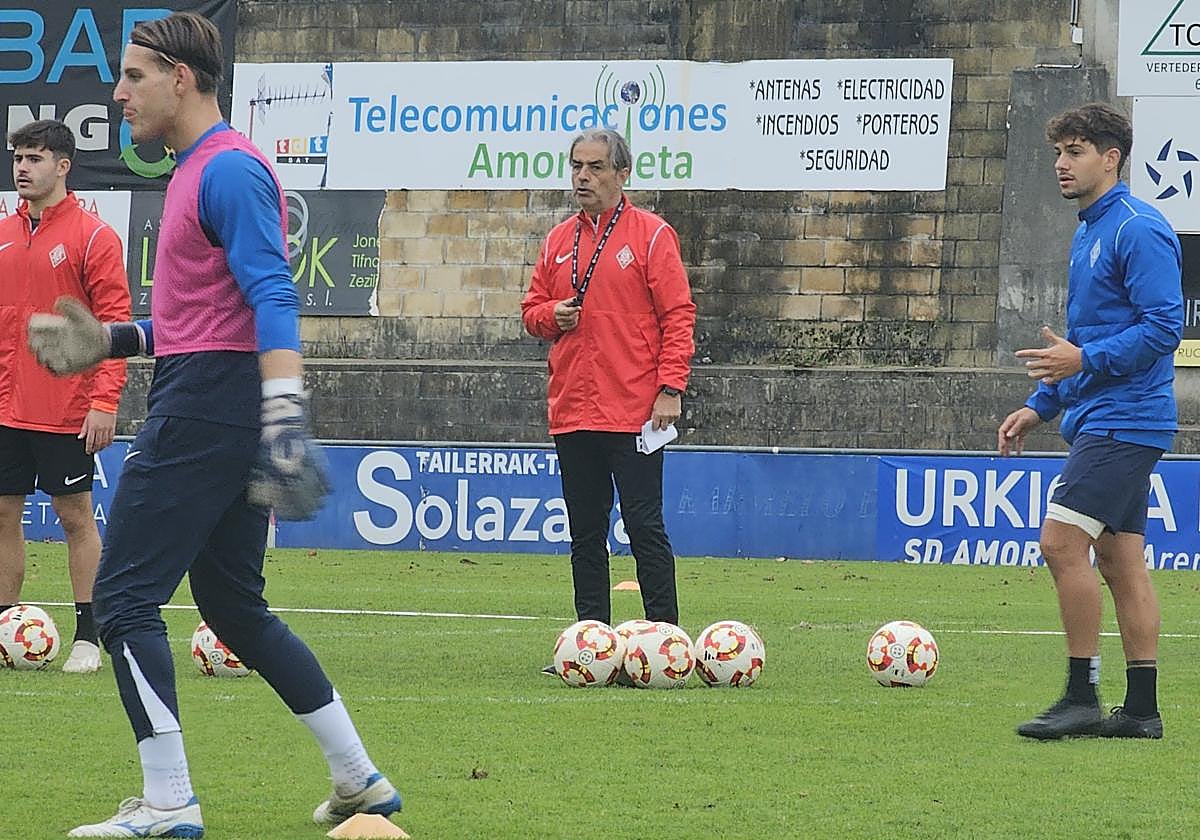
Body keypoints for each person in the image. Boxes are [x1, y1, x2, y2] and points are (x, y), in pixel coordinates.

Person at [27, 13, 399, 837]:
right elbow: (200, 320)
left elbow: (273, 295)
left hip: (206, 404)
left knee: (121, 601)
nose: (118, 94)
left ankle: (168, 802)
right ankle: (357, 776)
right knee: (232, 605)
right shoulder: (201, 169)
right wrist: (111, 340)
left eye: (133, 76)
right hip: (217, 392)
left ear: (181, 79)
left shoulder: (225, 170)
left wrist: (285, 413)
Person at [998, 102, 1183, 741]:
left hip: (1125, 421)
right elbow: (1084, 341)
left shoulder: (1137, 227)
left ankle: (1081, 695)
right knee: (1120, 560)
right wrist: (1041, 405)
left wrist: (1083, 360)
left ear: (1111, 158)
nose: (1061, 164)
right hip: (1107, 416)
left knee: (1059, 543)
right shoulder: (1090, 231)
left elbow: (1164, 327)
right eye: (1058, 152)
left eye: (1075, 152)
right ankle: (1142, 711)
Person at [521, 128, 696, 657]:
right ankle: (591, 644)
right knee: (585, 533)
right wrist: (552, 314)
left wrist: (670, 387)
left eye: (595, 167)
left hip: (635, 409)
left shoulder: (652, 236)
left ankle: (665, 642)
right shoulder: (558, 241)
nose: (583, 177)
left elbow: (678, 315)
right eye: (577, 166)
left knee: (644, 526)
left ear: (623, 174)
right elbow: (531, 311)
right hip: (573, 409)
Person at [0, 119, 130, 675]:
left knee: (75, 516)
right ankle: (5, 630)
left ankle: (88, 637)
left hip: (66, 407)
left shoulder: (94, 236)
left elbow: (114, 325)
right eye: (18, 158)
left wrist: (104, 400)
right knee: (3, 514)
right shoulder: (4, 234)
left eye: (34, 158)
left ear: (63, 166)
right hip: (6, 406)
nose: (22, 168)